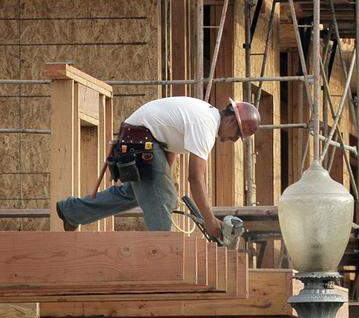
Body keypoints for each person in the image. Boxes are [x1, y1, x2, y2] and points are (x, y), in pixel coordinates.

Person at [56, 96, 260, 239]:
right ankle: (163, 256)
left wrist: (165, 180)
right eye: (235, 136)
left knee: (136, 193)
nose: (231, 141)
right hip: (141, 138)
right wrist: (209, 219)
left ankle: (73, 212)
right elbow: (196, 177)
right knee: (164, 198)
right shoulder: (206, 125)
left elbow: (168, 145)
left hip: (141, 137)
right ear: (232, 121)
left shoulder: (204, 114)